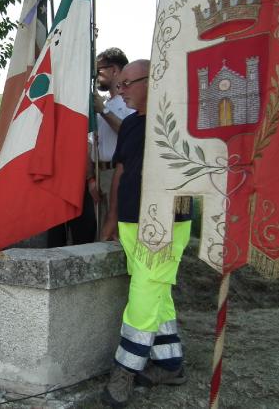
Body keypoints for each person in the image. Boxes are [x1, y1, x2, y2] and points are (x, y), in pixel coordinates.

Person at [99, 60, 192, 408]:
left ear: (151, 81)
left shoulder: (178, 121)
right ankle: (170, 364)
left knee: (144, 291)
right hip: (129, 219)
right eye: (118, 85)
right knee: (156, 292)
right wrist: (111, 218)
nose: (119, 92)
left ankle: (125, 370)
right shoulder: (130, 126)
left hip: (168, 219)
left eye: (126, 84)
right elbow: (122, 170)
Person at [92, 48, 135, 231]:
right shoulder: (106, 104)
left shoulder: (130, 103)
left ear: (115, 70)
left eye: (99, 70)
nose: (96, 75)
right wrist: (92, 179)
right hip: (100, 174)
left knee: (116, 231)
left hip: (117, 173)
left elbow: (129, 132)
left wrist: (103, 111)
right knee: (101, 229)